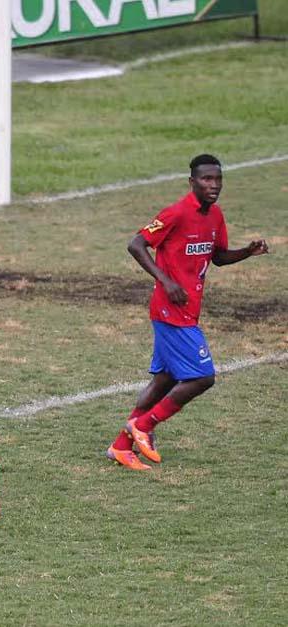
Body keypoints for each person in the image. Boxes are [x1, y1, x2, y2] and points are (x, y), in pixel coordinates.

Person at [106, 154, 269, 470]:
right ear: (192, 182)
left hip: (189, 310)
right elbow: (136, 244)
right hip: (170, 311)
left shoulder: (215, 215)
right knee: (203, 377)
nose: (213, 185)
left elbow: (218, 257)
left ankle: (121, 447)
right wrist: (165, 281)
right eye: (206, 179)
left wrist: (247, 253)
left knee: (165, 380)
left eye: (218, 179)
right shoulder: (176, 213)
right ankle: (143, 426)